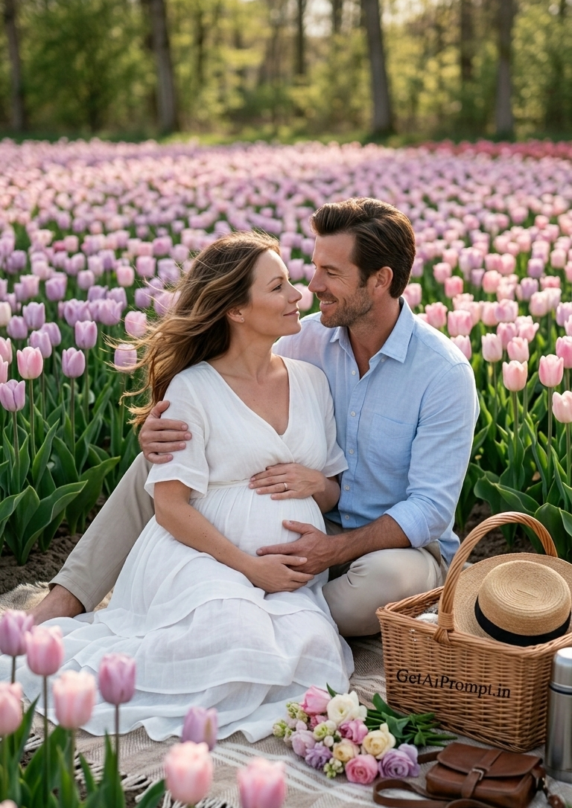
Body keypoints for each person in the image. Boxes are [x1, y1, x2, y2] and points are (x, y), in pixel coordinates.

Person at [36, 198, 479, 637]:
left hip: (389, 550)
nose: (311, 286)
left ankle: (254, 617)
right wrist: (159, 429)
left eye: (331, 272)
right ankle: (67, 597)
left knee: (386, 581)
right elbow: (226, 392)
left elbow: (430, 509)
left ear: (380, 280)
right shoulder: (303, 339)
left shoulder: (443, 375)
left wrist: (332, 548)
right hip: (302, 526)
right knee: (163, 454)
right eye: (313, 266)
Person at [11, 232, 353, 740]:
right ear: (236, 310)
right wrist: (250, 567)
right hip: (204, 558)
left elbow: (332, 492)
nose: (298, 296)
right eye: (278, 287)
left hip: (288, 573)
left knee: (312, 650)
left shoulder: (311, 380)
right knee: (228, 631)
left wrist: (318, 485)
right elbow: (170, 508)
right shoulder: (194, 387)